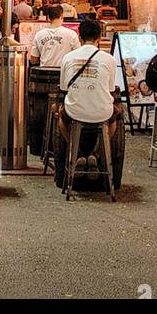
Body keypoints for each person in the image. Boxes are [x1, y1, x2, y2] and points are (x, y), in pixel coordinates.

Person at [55, 18, 121, 188]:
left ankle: (77, 154)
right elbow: (110, 88)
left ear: (80, 36)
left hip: (74, 112)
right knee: (115, 119)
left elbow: (64, 87)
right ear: (99, 37)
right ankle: (97, 154)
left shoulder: (68, 57)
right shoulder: (109, 59)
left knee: (60, 117)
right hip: (102, 113)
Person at [29, 4, 81, 70]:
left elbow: (33, 60)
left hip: (44, 75)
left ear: (48, 17)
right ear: (62, 16)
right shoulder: (71, 34)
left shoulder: (39, 34)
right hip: (64, 74)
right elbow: (78, 56)